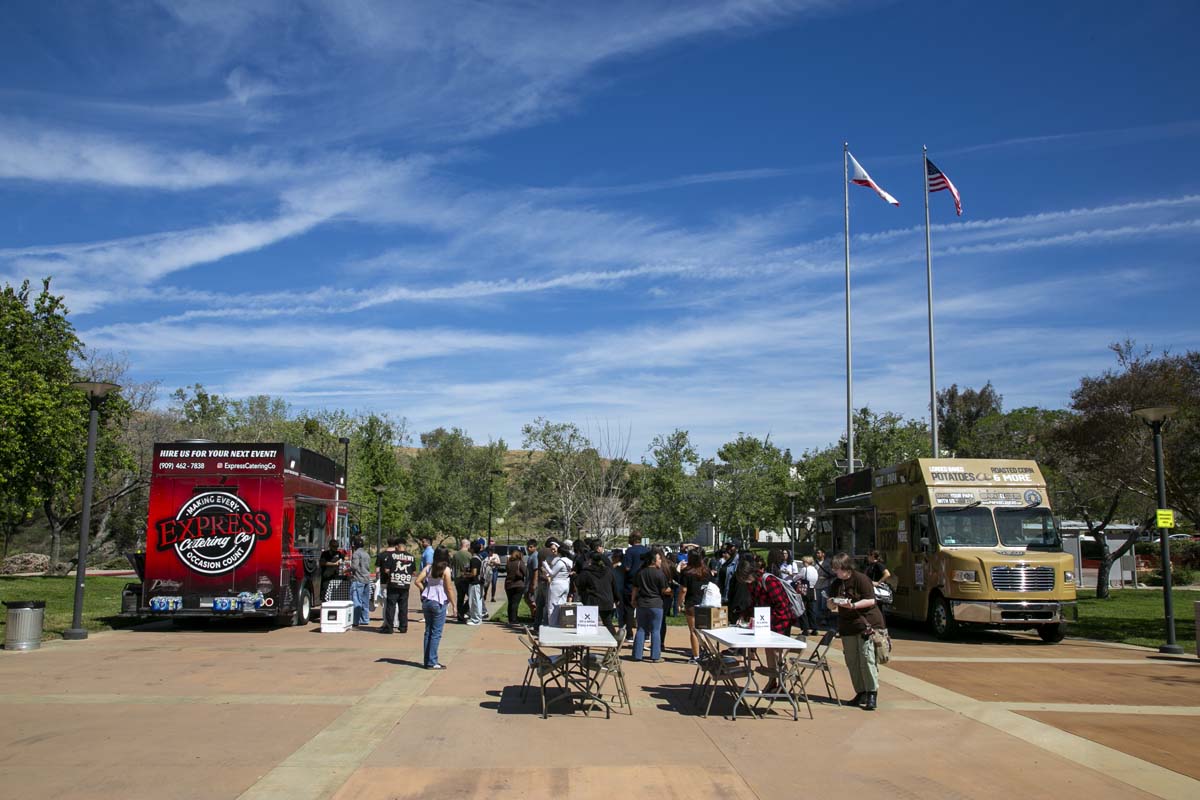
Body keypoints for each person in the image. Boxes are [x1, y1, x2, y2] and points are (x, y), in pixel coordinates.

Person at [827, 551, 886, 710]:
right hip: (847, 627)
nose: (835, 571)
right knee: (852, 661)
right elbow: (830, 604)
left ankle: (872, 693)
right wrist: (833, 603)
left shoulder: (861, 579)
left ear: (845, 567)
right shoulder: (836, 584)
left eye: (837, 568)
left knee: (866, 658)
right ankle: (861, 692)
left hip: (866, 624)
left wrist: (853, 605)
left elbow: (871, 600)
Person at [738, 558, 794, 691]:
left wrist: (765, 619)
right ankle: (772, 680)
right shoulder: (752, 584)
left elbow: (782, 605)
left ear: (752, 573)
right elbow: (754, 603)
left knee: (777, 652)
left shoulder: (769, 581)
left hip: (780, 620)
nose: (745, 581)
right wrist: (745, 615)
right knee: (769, 650)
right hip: (767, 621)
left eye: (745, 577)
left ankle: (781, 682)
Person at [414, 546, 456, 669]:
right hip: (439, 601)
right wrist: (454, 605)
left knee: (428, 631)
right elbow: (448, 589)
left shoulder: (429, 568)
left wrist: (425, 590)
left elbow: (417, 581)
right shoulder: (446, 570)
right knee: (436, 632)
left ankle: (428, 660)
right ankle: (432, 662)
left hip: (427, 600)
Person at [631, 548, 670, 662]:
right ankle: (655, 656)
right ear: (653, 560)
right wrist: (671, 591)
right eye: (659, 559)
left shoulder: (640, 572)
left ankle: (637, 655)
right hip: (656, 604)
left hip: (642, 603)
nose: (660, 561)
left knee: (641, 629)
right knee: (655, 630)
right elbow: (664, 589)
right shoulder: (659, 574)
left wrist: (633, 600)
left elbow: (635, 588)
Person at [574, 550, 619, 637]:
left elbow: (579, 583)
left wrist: (576, 577)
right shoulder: (608, 571)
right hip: (607, 600)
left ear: (590, 560)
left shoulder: (586, 572)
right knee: (608, 622)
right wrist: (617, 599)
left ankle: (587, 643)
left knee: (588, 624)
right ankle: (614, 642)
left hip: (592, 601)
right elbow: (614, 586)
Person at [677, 549, 711, 663]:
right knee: (704, 630)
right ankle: (707, 652)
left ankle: (696, 656)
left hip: (691, 603)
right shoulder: (707, 571)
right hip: (705, 603)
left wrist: (679, 603)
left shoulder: (687, 572)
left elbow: (683, 589)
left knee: (693, 631)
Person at [379, 538, 414, 633]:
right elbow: (413, 571)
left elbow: (386, 570)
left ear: (397, 546)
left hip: (393, 584)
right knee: (403, 607)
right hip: (405, 585)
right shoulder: (411, 557)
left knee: (391, 606)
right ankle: (403, 627)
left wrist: (393, 573)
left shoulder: (392, 556)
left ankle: (389, 628)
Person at [542, 538, 573, 626]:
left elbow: (552, 573)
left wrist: (545, 565)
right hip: (566, 584)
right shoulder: (570, 561)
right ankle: (561, 624)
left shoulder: (561, 561)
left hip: (557, 584)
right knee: (562, 606)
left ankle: (552, 625)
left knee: (552, 607)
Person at [349, 536, 372, 627]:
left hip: (358, 579)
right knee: (365, 601)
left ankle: (356, 620)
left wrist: (347, 570)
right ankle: (365, 619)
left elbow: (354, 566)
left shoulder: (356, 554)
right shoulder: (366, 554)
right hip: (366, 579)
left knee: (357, 600)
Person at [504, 547, 527, 625]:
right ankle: (514, 619)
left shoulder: (508, 562)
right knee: (515, 602)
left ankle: (510, 619)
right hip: (518, 584)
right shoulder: (520, 563)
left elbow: (507, 571)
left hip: (508, 584)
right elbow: (526, 573)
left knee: (510, 602)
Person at [452, 538, 472, 623]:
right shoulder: (469, 555)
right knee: (471, 596)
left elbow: (452, 565)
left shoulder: (455, 555)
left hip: (457, 579)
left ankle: (460, 615)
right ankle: (462, 611)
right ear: (467, 545)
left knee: (460, 597)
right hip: (465, 579)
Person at [798, 555, 820, 635]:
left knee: (803, 609)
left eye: (803, 561)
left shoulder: (804, 569)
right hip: (812, 590)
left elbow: (796, 578)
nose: (803, 563)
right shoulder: (815, 569)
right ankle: (814, 628)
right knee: (811, 610)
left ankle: (805, 629)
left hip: (805, 590)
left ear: (806, 562)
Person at [813, 548, 835, 629]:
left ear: (823, 554)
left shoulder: (827, 563)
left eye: (819, 553)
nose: (817, 554)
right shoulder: (814, 563)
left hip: (825, 585)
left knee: (824, 603)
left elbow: (833, 573)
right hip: (816, 586)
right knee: (817, 603)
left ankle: (824, 619)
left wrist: (826, 576)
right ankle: (819, 618)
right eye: (816, 553)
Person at [466, 540, 485, 625]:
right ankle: (476, 618)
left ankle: (476, 619)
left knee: (475, 601)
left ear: (472, 549)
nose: (468, 548)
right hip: (478, 583)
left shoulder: (474, 559)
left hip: (475, 583)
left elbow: (474, 573)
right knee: (477, 601)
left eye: (470, 547)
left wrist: (465, 575)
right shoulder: (479, 557)